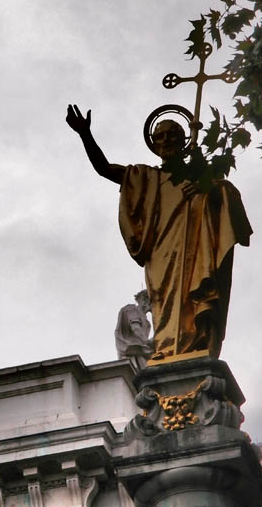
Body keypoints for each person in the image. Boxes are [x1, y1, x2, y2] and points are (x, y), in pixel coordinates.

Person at [66, 104, 252, 360]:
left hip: (194, 251)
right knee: (163, 303)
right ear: (154, 144)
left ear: (184, 140)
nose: (166, 140)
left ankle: (195, 347)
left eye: (172, 135)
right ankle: (165, 350)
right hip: (160, 254)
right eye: (160, 136)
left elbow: (232, 207)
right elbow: (105, 169)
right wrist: (85, 135)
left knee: (192, 298)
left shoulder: (202, 179)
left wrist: (204, 188)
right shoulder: (145, 176)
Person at [115, 289, 153, 368]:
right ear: (146, 301)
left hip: (141, 352)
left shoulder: (147, 323)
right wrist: (149, 342)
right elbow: (135, 328)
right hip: (131, 352)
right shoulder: (132, 309)